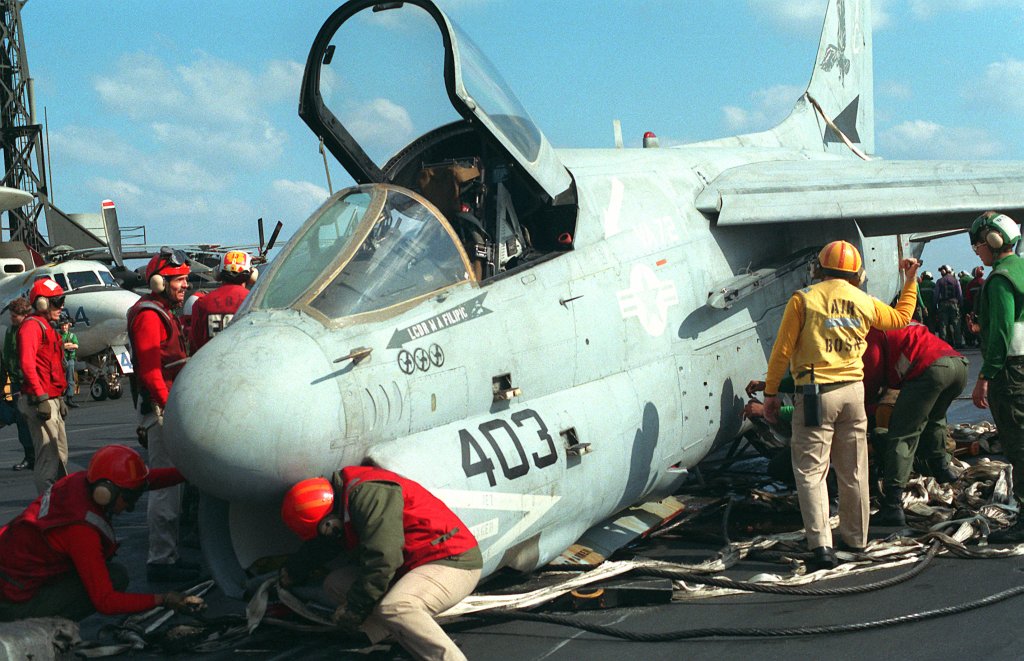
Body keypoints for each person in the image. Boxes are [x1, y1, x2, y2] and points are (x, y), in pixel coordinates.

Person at [763, 240, 918, 570]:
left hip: (816, 395)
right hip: (853, 394)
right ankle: (857, 539)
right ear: (856, 274)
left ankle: (822, 546)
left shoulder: (803, 299)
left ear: (818, 269)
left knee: (811, 472)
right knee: (854, 471)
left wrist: (771, 393)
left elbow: (782, 351)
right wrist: (910, 281)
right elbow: (901, 317)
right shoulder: (863, 300)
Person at [280, 467, 481, 661]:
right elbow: (324, 545)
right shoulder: (344, 504)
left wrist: (355, 608)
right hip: (411, 565)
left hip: (451, 560)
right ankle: (403, 634)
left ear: (329, 523)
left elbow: (384, 558)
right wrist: (293, 571)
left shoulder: (369, 495)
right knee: (336, 583)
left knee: (396, 607)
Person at [0, 444, 205, 621]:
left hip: (12, 573)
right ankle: (38, 628)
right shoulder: (81, 531)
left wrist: (191, 473)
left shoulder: (82, 482)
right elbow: (106, 602)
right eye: (130, 499)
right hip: (12, 600)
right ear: (105, 494)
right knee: (116, 578)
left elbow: (146, 481)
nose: (131, 506)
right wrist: (164, 599)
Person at [127, 247, 196, 581]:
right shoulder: (150, 316)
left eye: (184, 279)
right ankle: (161, 561)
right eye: (178, 279)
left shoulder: (163, 312)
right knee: (165, 488)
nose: (185, 285)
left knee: (173, 488)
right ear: (158, 282)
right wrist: (170, 408)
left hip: (167, 407)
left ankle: (169, 554)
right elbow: (152, 372)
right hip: (162, 411)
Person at [863, 324, 968, 526]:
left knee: (903, 435)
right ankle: (943, 471)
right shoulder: (901, 321)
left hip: (931, 369)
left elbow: (873, 373)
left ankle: (892, 505)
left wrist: (865, 404)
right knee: (935, 419)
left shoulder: (874, 330)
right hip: (958, 365)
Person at [968, 212, 1024, 543]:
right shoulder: (1021, 269)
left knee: (1018, 443)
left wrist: (984, 376)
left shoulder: (1001, 278)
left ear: (993, 240)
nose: (977, 251)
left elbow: (1002, 331)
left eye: (978, 244)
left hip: (1011, 372)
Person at [18, 278, 69, 494]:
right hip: (40, 401)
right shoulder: (32, 327)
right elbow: (27, 364)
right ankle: (47, 504)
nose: (61, 306)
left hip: (51, 398)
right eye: (57, 302)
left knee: (60, 455)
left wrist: (59, 398)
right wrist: (41, 398)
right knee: (48, 459)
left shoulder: (46, 326)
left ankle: (60, 501)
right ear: (42, 303)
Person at [188, 250, 256, 352]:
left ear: (218, 273)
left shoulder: (201, 303)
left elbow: (194, 345)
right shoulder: (256, 301)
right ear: (251, 276)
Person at [0, 298, 34, 471]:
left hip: (30, 383)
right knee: (21, 420)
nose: (11, 319)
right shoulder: (11, 331)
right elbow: (5, 357)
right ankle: (30, 456)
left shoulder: (32, 329)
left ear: (25, 315)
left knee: (35, 421)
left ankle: (40, 456)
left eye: (14, 316)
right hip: (16, 383)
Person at [934, 264, 964, 347]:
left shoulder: (939, 281)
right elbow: (960, 294)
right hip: (954, 304)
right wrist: (961, 305)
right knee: (956, 323)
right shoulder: (956, 281)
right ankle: (958, 343)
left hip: (943, 305)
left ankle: (943, 343)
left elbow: (936, 295)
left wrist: (935, 305)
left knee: (943, 324)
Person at [59, 312, 79, 408]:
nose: (64, 327)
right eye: (62, 325)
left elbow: (76, 345)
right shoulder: (58, 335)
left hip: (70, 359)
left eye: (65, 325)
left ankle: (69, 398)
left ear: (68, 325)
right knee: (60, 378)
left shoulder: (72, 336)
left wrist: (64, 346)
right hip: (61, 360)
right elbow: (58, 346)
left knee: (70, 379)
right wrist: (68, 345)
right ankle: (60, 398)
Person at [964, 266, 986, 347]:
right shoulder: (985, 282)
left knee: (974, 323)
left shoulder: (970, 284)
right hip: (983, 307)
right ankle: (983, 341)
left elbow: (968, 296)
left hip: (973, 307)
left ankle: (974, 341)